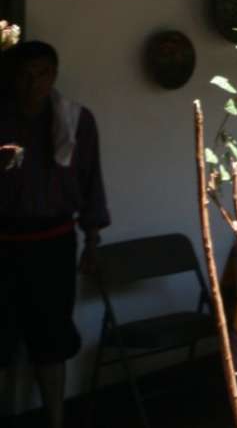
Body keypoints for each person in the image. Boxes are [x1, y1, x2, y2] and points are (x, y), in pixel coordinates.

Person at [0, 39, 110, 428]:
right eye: (25, 76)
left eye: (42, 74)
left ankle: (56, 422)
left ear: (54, 76)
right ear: (13, 77)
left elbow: (91, 183)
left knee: (52, 343)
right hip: (4, 246)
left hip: (54, 247)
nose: (33, 84)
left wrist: (92, 241)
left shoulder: (75, 121)